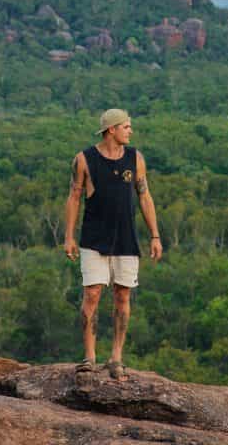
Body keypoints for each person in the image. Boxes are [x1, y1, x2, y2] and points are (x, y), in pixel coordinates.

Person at [63, 107, 163, 379]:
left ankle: (116, 357)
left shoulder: (135, 158)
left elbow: (144, 196)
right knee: (92, 293)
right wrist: (68, 236)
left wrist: (155, 235)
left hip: (126, 237)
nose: (130, 131)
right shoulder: (84, 159)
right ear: (112, 129)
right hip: (94, 237)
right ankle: (89, 357)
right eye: (126, 126)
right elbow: (74, 197)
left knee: (122, 295)